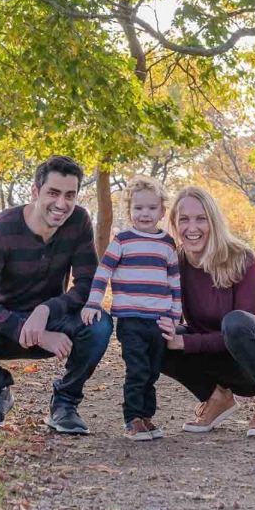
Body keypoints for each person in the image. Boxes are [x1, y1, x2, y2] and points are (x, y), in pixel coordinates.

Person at [0, 155, 112, 434]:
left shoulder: (79, 221)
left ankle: (64, 405)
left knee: (99, 324)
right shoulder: (3, 228)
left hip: (52, 318)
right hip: (2, 324)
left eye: (70, 195)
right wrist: (33, 330)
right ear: (35, 192)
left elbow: (88, 285)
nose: (62, 204)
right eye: (53, 193)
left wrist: (46, 310)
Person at [157, 185, 255, 439]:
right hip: (217, 352)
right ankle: (216, 397)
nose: (192, 228)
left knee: (235, 323)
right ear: (175, 224)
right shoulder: (174, 263)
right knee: (152, 334)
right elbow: (168, 316)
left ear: (213, 221)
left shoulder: (241, 258)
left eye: (201, 219)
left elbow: (241, 327)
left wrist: (186, 341)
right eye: (184, 219)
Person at [82, 176, 181, 441]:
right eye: (138, 208)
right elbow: (103, 273)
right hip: (131, 319)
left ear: (161, 211)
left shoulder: (167, 244)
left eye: (151, 208)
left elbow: (174, 283)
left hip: (159, 321)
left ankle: (147, 416)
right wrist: (94, 302)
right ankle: (132, 419)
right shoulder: (122, 240)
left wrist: (174, 317)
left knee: (152, 370)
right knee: (136, 369)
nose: (144, 213)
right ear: (130, 211)